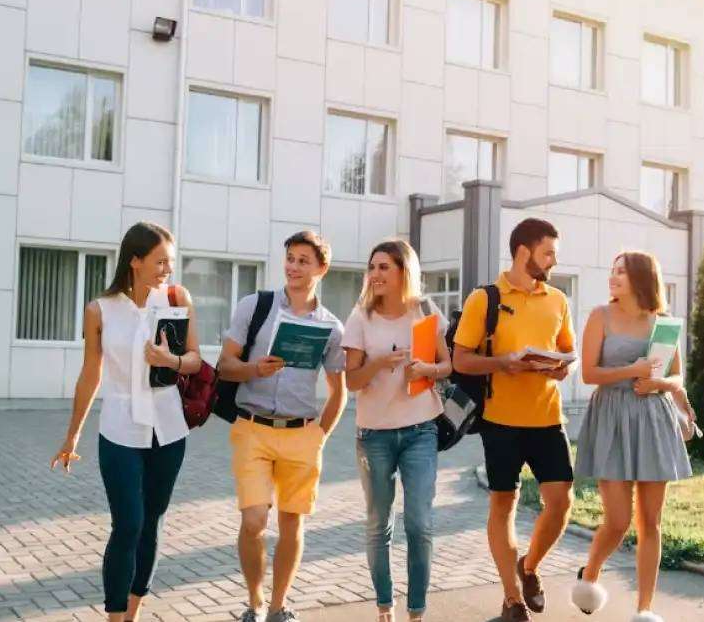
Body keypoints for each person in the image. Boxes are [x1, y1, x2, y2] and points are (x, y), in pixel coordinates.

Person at [49, 222, 202, 622]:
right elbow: (90, 374)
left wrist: (170, 360)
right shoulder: (100, 310)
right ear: (135, 260)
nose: (168, 269)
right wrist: (72, 435)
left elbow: (195, 360)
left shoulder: (177, 298)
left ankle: (132, 614)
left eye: (171, 261)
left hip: (168, 430)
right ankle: (115, 617)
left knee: (151, 522)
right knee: (128, 523)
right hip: (119, 430)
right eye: (160, 261)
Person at [217, 231, 348, 622]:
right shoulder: (255, 306)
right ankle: (255, 603)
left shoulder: (331, 327)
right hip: (252, 427)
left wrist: (319, 436)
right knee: (254, 521)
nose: (293, 267)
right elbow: (224, 366)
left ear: (322, 268)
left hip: (302, 433)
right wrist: (254, 369)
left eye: (303, 261)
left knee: (292, 524)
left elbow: (338, 391)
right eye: (290, 258)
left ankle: (278, 607)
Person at [451, 218, 577, 622]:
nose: (554, 260)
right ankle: (511, 598)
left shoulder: (558, 300)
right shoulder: (484, 299)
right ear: (524, 251)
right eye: (548, 252)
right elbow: (460, 359)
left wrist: (561, 368)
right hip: (501, 421)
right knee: (503, 503)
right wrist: (503, 362)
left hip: (548, 418)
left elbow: (567, 354)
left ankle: (529, 566)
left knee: (561, 503)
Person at [569, 251, 694, 622]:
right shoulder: (600, 316)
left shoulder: (663, 323)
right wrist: (633, 369)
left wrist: (658, 383)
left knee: (651, 522)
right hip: (611, 418)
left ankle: (645, 609)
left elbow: (678, 377)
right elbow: (589, 374)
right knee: (618, 521)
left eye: (621, 271)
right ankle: (590, 575)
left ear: (641, 277)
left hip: (654, 419)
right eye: (613, 270)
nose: (613, 276)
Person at [342, 240, 452, 622]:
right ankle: (384, 604)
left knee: (419, 523)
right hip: (374, 435)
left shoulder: (425, 310)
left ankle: (416, 610)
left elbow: (447, 364)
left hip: (421, 429)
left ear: (404, 271)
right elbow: (351, 381)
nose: (375, 274)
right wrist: (378, 363)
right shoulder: (360, 317)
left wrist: (427, 370)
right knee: (378, 524)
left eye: (384, 267)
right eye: (372, 267)